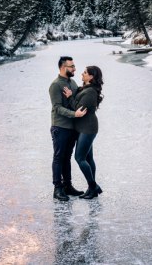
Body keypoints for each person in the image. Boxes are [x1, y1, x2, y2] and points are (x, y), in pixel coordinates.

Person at [49, 56, 87, 201]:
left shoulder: (72, 82)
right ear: (63, 68)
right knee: (59, 157)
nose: (75, 69)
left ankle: (68, 186)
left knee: (67, 157)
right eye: (72, 66)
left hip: (72, 127)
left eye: (74, 66)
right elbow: (57, 108)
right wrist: (74, 114)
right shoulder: (56, 85)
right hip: (60, 126)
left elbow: (75, 101)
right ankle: (57, 189)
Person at [63, 66, 104, 199]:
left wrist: (69, 97)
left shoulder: (90, 91)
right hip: (84, 128)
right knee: (88, 158)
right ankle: (91, 189)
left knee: (79, 158)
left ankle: (93, 186)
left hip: (88, 128)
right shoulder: (86, 89)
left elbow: (79, 109)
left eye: (85, 72)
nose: (82, 73)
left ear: (91, 77)